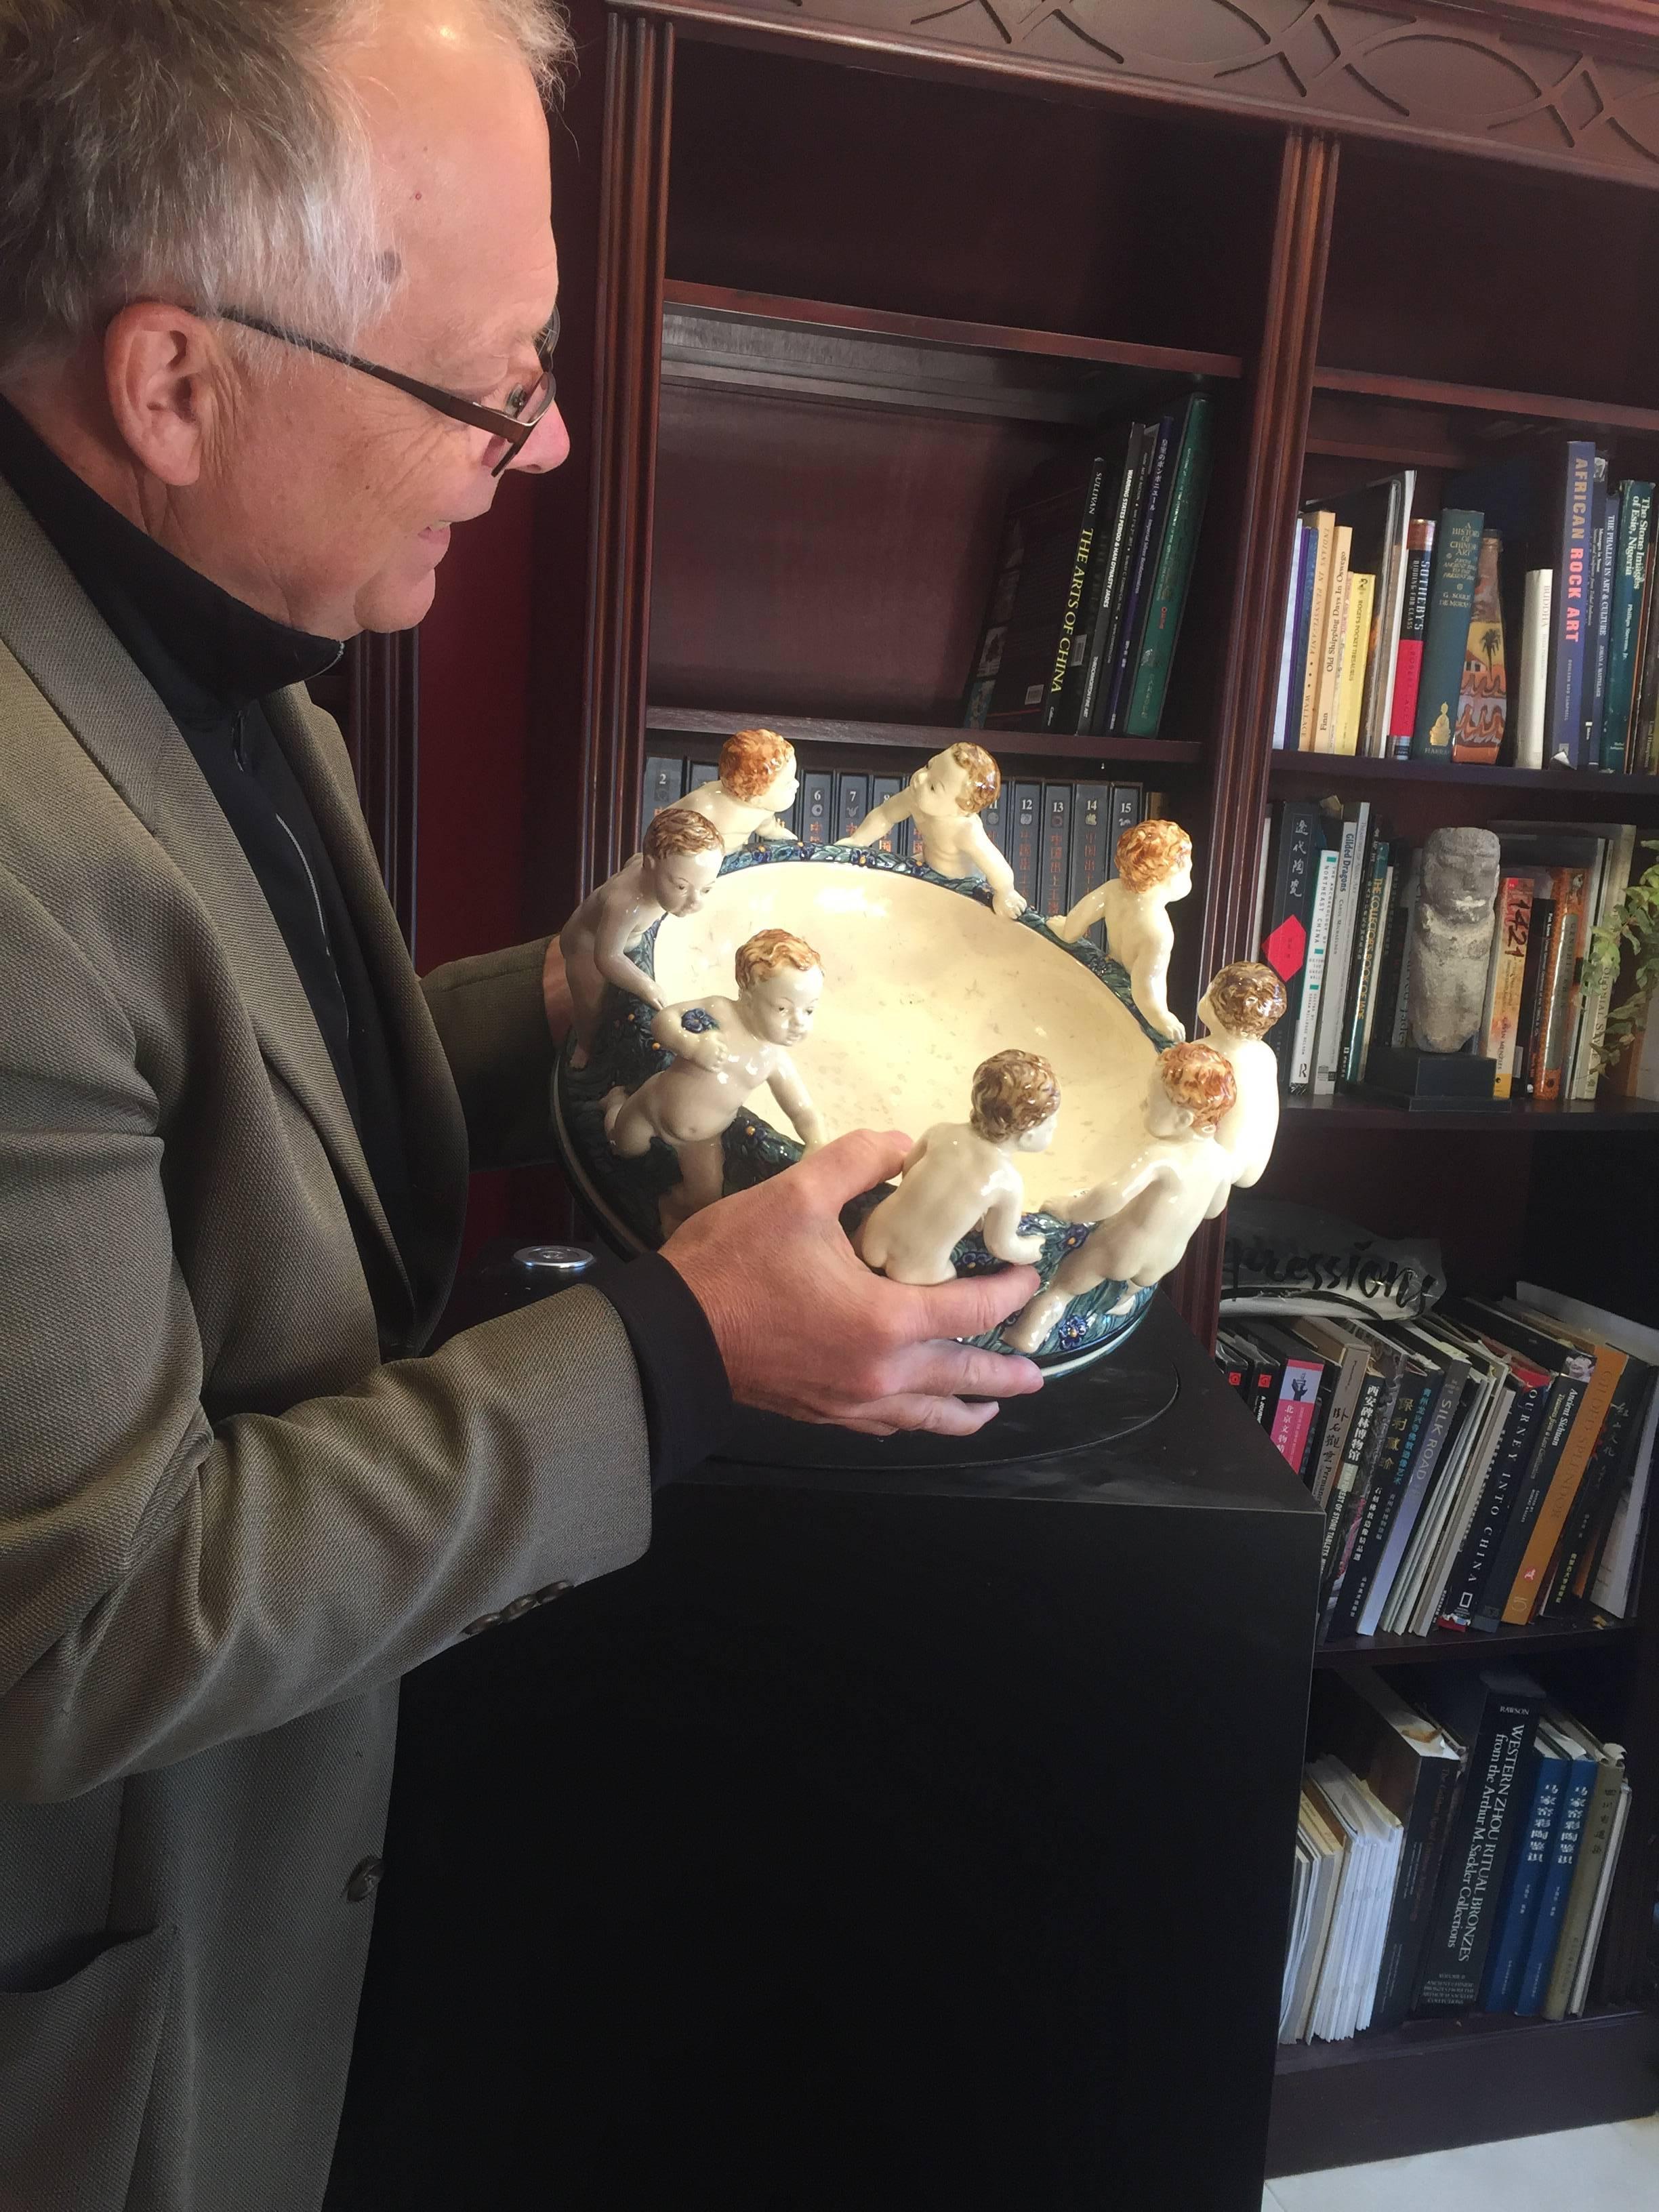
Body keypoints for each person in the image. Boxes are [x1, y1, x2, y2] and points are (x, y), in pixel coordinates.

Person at [0, 6, 1044, 2209]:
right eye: (491, 384)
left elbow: (243, 1096)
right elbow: (80, 1626)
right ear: (174, 384)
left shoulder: (208, 621)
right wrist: (682, 1351)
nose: (545, 445)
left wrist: (584, 999)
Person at [605, 927, 828, 1231]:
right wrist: (690, 1044)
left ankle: (671, 1206)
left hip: (702, 1140)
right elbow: (664, 1020)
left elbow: (802, 1109)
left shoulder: (775, 1060)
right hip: (652, 1105)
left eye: (810, 1010)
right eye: (783, 1008)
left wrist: (816, 1141)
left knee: (705, 1198)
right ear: (747, 995)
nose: (799, 1022)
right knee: (622, 1147)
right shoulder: (719, 1011)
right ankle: (615, 1104)